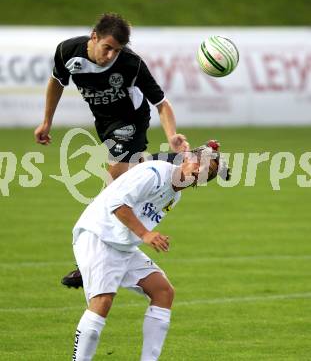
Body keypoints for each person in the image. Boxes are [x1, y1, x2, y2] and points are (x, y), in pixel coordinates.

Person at [34, 12, 189, 288]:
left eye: (117, 50)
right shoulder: (67, 52)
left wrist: (172, 134)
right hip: (104, 123)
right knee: (127, 180)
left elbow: (162, 103)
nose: (110, 56)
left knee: (116, 181)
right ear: (93, 37)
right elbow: (57, 82)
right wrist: (47, 121)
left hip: (132, 119)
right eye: (107, 47)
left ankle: (92, 258)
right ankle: (165, 162)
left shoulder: (131, 64)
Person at [70, 143, 230, 361]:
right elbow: (118, 204)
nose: (201, 171)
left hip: (122, 246)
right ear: (185, 158)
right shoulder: (154, 173)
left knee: (163, 291)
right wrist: (146, 235)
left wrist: (142, 235)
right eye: (200, 163)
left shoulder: (175, 196)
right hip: (98, 235)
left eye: (209, 172)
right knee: (103, 301)